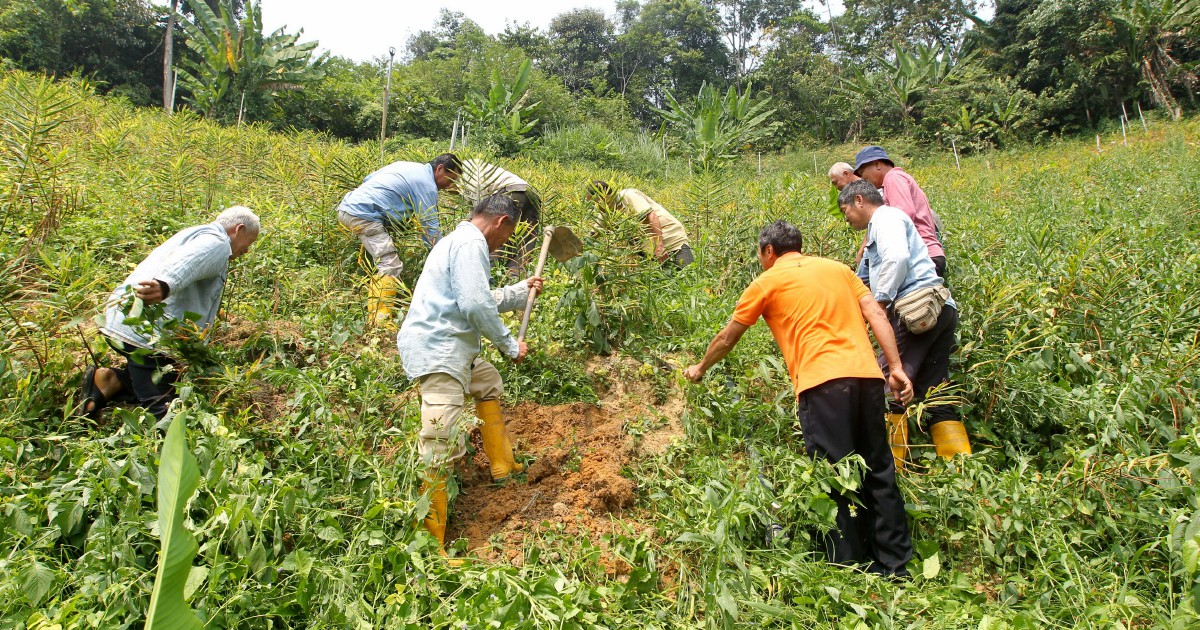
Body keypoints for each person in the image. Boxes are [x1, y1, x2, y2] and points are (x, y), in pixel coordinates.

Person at [683, 220, 915, 577]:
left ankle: (847, 566)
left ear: (769, 251)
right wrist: (895, 367)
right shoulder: (838, 270)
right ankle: (896, 565)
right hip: (869, 378)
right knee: (878, 468)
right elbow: (875, 314)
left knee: (834, 472)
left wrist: (699, 368)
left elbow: (728, 337)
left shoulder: (767, 280)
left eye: (760, 254)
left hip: (821, 384)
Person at [397, 193, 544, 554]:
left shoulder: (460, 239)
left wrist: (519, 292)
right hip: (440, 349)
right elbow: (475, 303)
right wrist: (510, 344)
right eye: (507, 237)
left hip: (455, 346)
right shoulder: (470, 243)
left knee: (488, 380)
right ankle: (430, 548)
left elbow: (471, 296)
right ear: (502, 223)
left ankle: (502, 468)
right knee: (440, 441)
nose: (503, 243)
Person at [77, 206, 261, 420]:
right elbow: (187, 263)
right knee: (164, 410)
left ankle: (111, 382)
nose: (247, 250)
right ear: (238, 229)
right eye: (250, 242)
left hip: (131, 322)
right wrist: (165, 285)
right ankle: (164, 449)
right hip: (144, 331)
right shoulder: (218, 243)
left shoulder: (196, 233)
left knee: (169, 378)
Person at [837, 179, 971, 463]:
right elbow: (860, 281)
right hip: (939, 308)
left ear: (859, 200)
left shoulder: (886, 217)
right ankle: (958, 468)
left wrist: (881, 303)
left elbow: (896, 258)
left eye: (845, 209)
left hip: (915, 311)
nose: (846, 217)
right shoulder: (879, 228)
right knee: (935, 388)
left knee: (889, 384)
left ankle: (891, 468)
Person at [336, 153, 463, 327]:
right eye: (451, 179)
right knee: (390, 264)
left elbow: (368, 179)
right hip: (364, 215)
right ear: (440, 168)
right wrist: (445, 258)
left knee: (375, 250)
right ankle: (378, 321)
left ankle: (360, 288)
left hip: (348, 207)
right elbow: (429, 228)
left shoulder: (406, 165)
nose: (450, 185)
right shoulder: (427, 186)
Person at [853, 146, 947, 278]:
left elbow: (903, 215)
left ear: (877, 164)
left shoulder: (893, 178)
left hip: (922, 258)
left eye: (863, 174)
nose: (863, 179)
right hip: (928, 254)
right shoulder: (898, 179)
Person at [457, 159, 541, 277]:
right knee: (525, 242)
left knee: (493, 235)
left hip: (512, 192)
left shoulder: (466, 177)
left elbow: (482, 217)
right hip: (530, 193)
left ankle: (489, 278)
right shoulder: (470, 166)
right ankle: (515, 278)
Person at [586, 181, 693, 266]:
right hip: (650, 251)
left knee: (686, 276)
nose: (595, 205)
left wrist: (658, 245)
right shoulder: (606, 213)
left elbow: (652, 216)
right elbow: (592, 235)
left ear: (605, 196)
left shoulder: (628, 196)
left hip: (672, 239)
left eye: (596, 201)